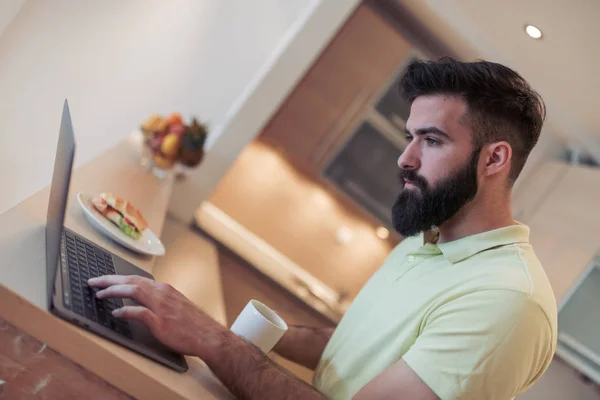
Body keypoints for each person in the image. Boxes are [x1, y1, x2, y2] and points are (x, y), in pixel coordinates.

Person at [88, 57, 557, 400]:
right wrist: (228, 329)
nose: (405, 158)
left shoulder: (507, 300)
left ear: (494, 158)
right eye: (409, 137)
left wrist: (213, 340)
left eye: (431, 141)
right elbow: (357, 345)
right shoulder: (430, 238)